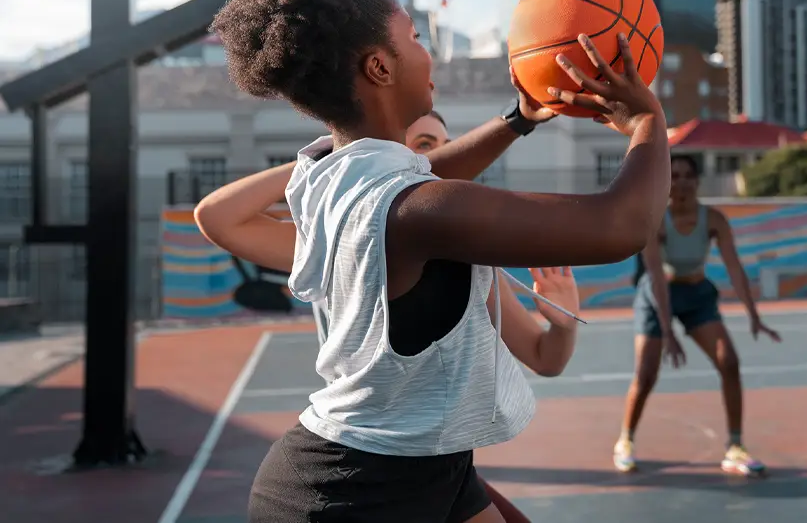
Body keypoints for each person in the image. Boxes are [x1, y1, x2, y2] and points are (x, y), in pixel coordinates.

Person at [208, 0, 672, 523]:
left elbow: (421, 170)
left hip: (415, 464)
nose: (429, 54)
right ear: (379, 65)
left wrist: (520, 118)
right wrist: (647, 122)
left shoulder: (328, 180)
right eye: (416, 38)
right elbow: (621, 226)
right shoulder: (416, 210)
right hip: (355, 496)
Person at [196, 108, 563, 523]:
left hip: (436, 459)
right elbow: (217, 216)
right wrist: (334, 161)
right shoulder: (340, 243)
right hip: (357, 471)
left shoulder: (470, 259)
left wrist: (562, 321)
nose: (438, 161)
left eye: (446, 147)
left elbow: (546, 357)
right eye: (423, 147)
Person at [614, 155, 781, 476]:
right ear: (665, 182)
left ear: (697, 181)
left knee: (729, 362)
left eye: (688, 175)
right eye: (674, 176)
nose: (681, 182)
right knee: (647, 373)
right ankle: (625, 440)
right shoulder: (656, 220)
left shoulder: (714, 219)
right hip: (657, 296)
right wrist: (668, 331)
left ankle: (735, 446)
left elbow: (734, 267)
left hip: (697, 295)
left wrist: (754, 315)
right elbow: (656, 277)